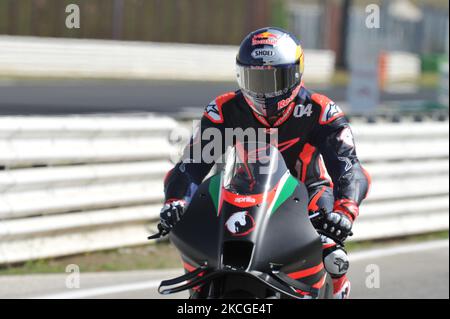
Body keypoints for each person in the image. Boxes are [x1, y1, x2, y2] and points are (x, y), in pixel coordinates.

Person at [160, 27, 371, 299]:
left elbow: (350, 168)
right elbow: (192, 164)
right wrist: (175, 201)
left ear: (295, 75)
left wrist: (344, 211)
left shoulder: (321, 110)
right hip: (244, 192)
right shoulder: (224, 110)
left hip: (308, 194)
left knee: (331, 250)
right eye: (256, 80)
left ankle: (337, 289)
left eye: (275, 79)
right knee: (202, 254)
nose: (265, 92)